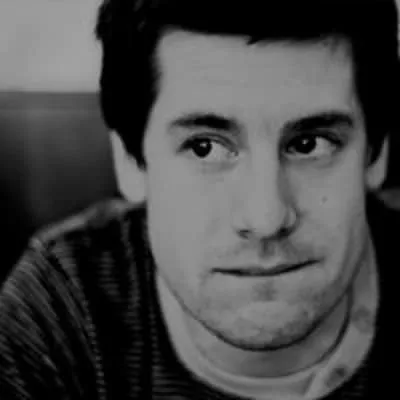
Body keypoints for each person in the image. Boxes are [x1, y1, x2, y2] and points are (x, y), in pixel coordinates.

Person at [1, 0, 399, 398]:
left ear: (376, 153)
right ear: (130, 161)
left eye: (310, 144)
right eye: (204, 147)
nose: (266, 219)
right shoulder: (63, 304)